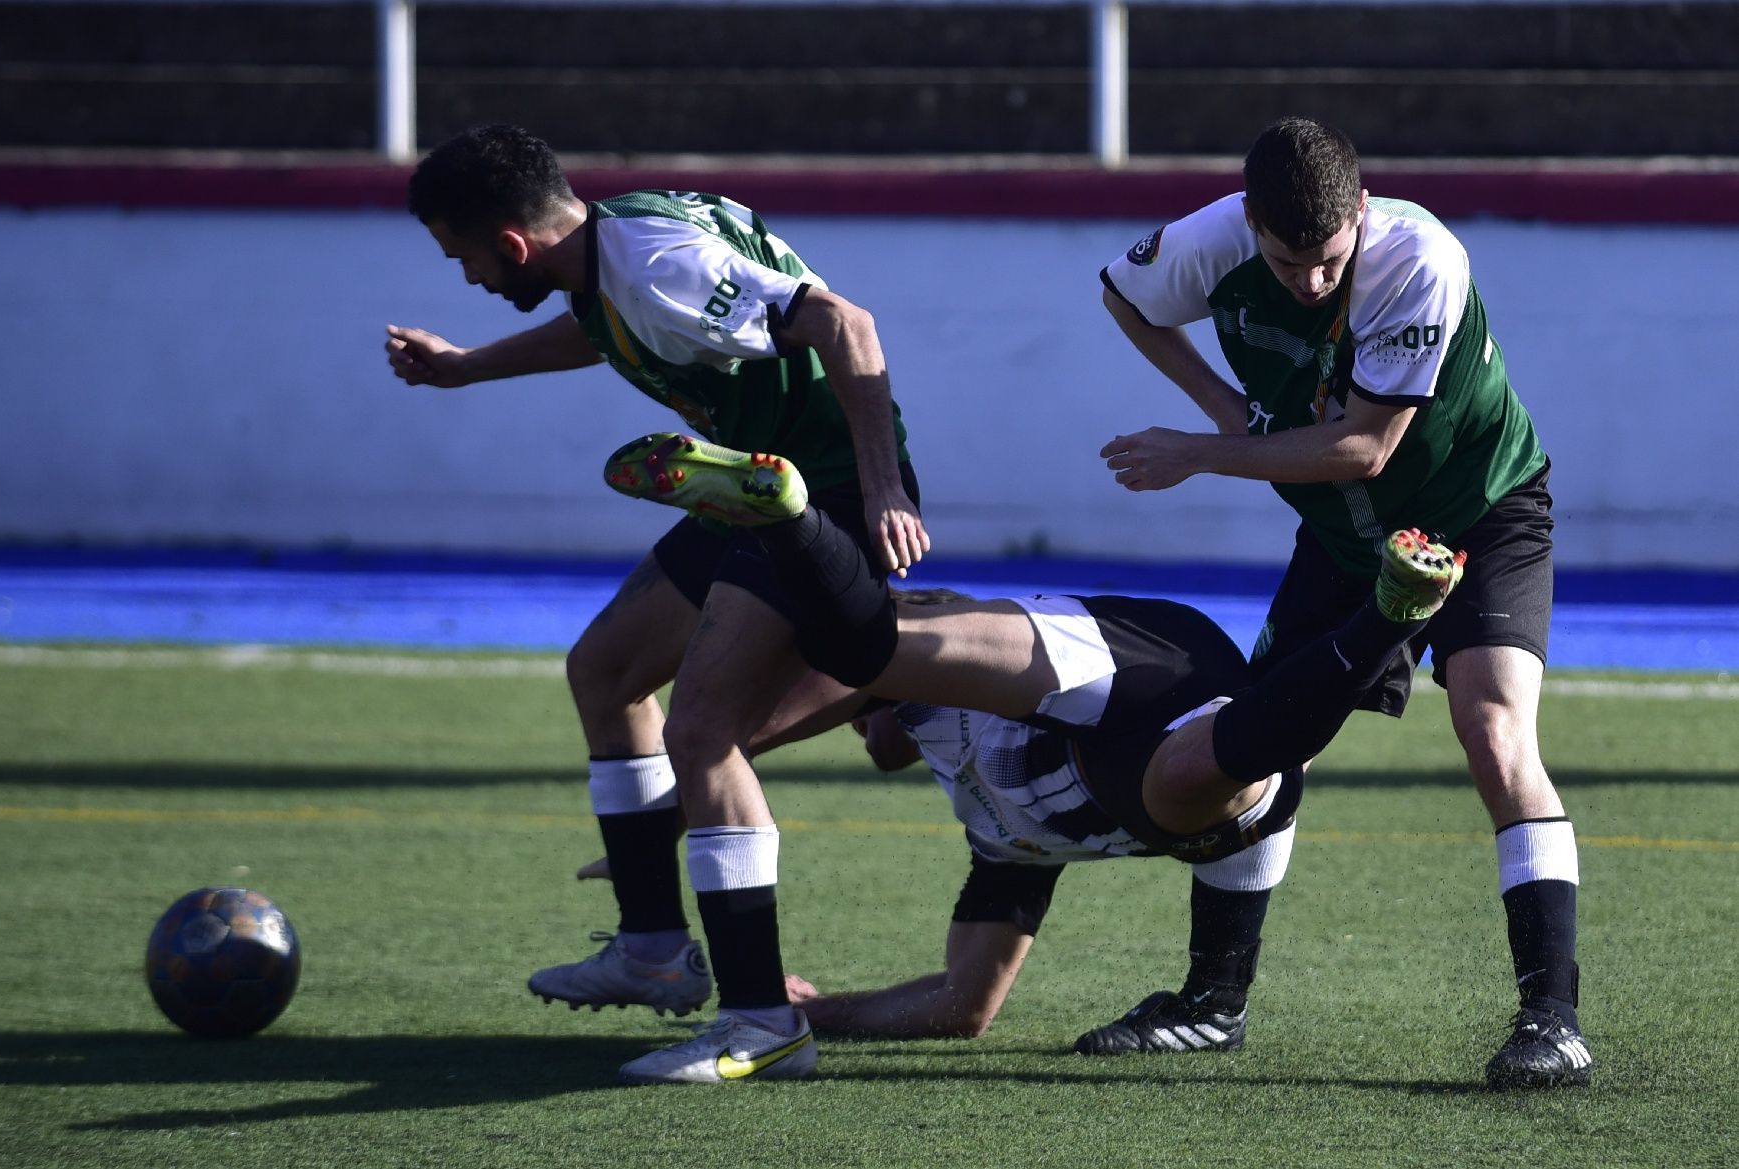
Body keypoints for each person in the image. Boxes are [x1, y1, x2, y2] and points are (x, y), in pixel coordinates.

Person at [596, 430, 1466, 1078]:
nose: (865, 739)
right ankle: (1384, 619)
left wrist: (666, 814)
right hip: (1176, 773)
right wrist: (821, 1009)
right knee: (1193, 786)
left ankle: (790, 518)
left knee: (872, 651)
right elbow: (963, 1006)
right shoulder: (999, 839)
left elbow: (766, 723)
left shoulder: (905, 686)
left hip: (1136, 660)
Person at [387, 124, 931, 1084]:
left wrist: (883, 488)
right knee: (606, 669)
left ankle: (765, 1023)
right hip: (747, 489)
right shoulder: (612, 249)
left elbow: (846, 324)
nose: (466, 277)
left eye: (463, 256)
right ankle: (650, 948)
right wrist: (468, 366)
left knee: (705, 732)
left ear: (512, 244)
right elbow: (601, 327)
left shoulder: (656, 264)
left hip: (823, 496)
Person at [1096, 116, 1588, 1090]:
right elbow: (1122, 293)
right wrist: (1223, 406)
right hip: (1338, 536)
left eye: (1325, 260)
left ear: (1359, 214)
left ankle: (1551, 1018)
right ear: (1249, 224)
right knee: (1259, 743)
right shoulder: (1211, 240)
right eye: (1285, 262)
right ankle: (1211, 1003)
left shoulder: (1417, 259)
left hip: (1473, 512)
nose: (1308, 281)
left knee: (1492, 732)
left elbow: (1365, 448)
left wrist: (1199, 449)